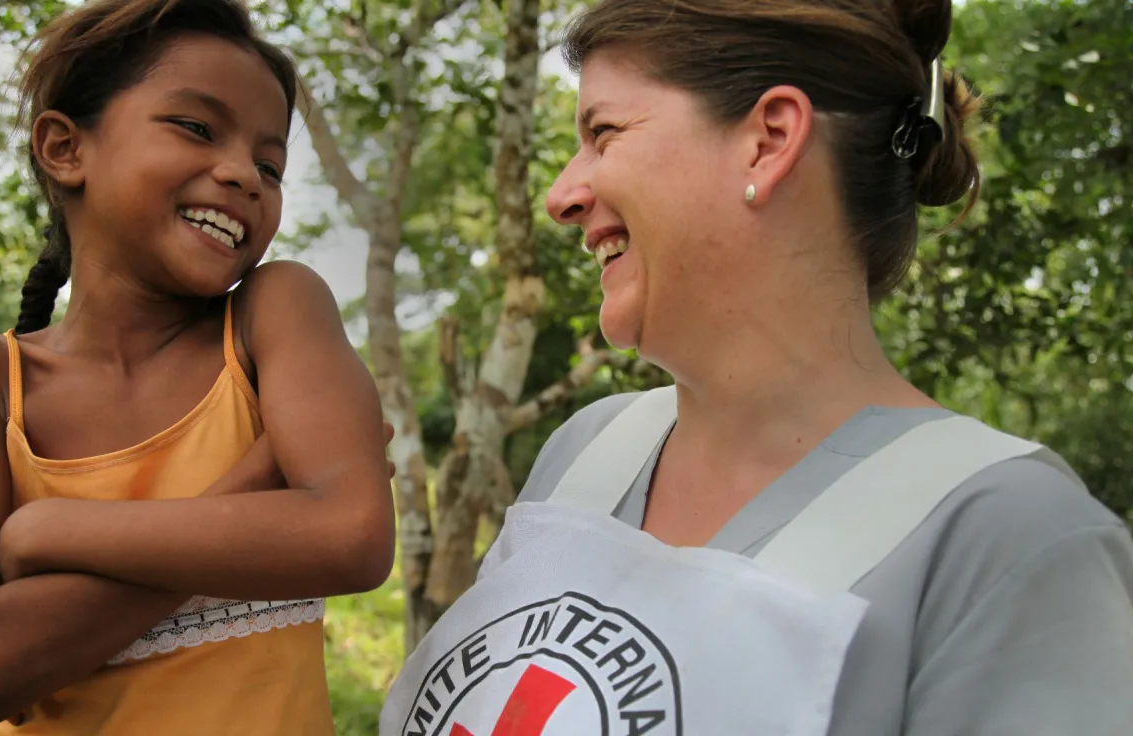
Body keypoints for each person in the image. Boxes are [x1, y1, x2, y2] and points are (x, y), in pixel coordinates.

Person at [379, 1, 1133, 734]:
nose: (562, 196)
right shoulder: (587, 453)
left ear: (770, 139)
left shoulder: (1012, 539)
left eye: (603, 133)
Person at [0, 1, 396, 733]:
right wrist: (257, 481)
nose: (243, 175)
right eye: (196, 128)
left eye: (270, 164)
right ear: (65, 149)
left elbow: (351, 539)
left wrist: (48, 532)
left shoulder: (273, 314)